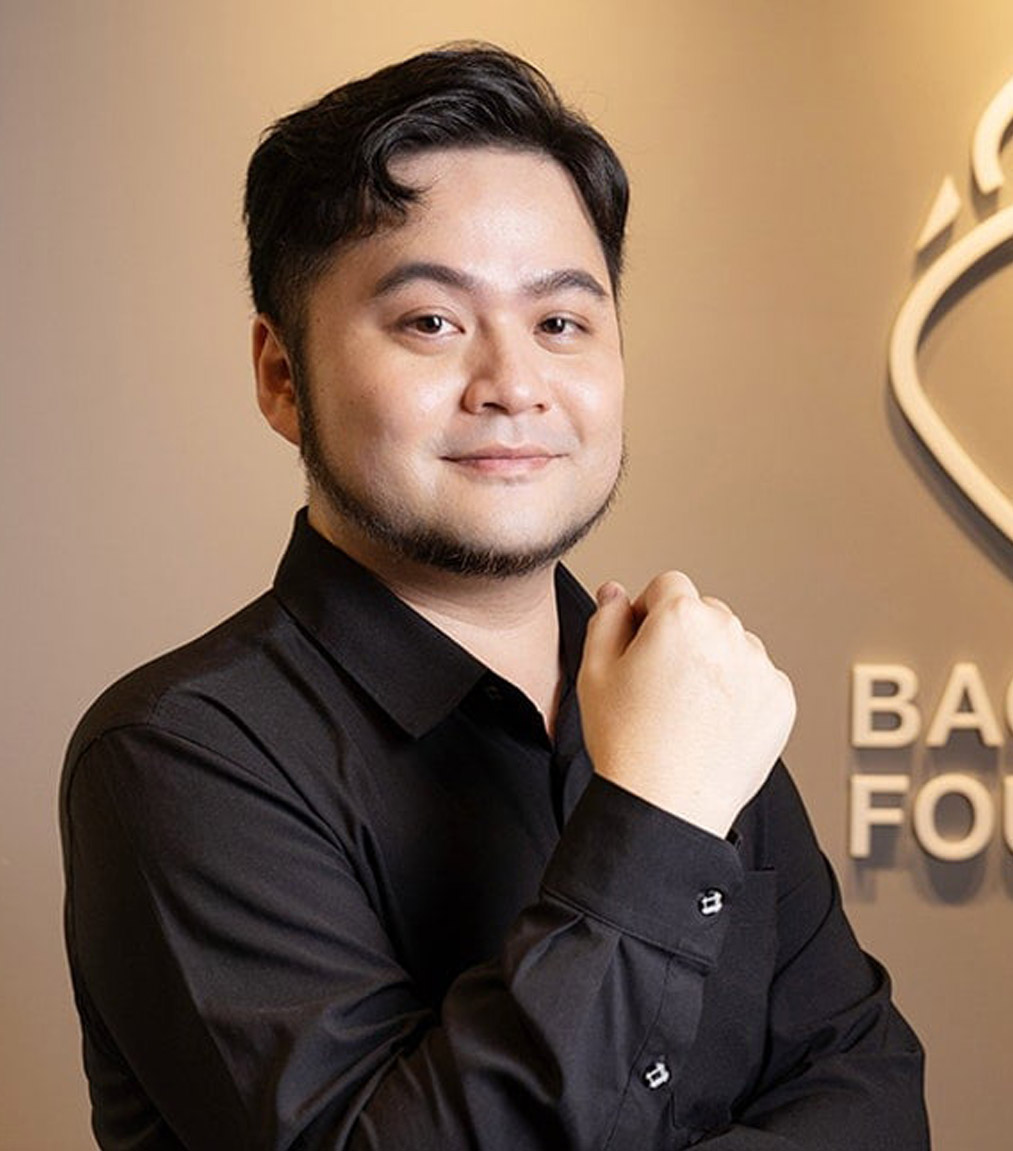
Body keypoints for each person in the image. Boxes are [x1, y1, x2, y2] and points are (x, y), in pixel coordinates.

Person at [61, 43, 929, 1151]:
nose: (513, 384)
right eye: (432, 321)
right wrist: (657, 818)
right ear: (282, 376)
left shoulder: (688, 690)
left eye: (560, 322)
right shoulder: (180, 755)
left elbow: (871, 1093)